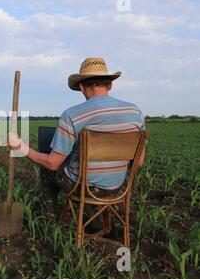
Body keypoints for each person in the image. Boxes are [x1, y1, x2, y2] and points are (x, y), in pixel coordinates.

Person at [8, 57, 146, 216]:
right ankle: (96, 215)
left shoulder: (73, 115)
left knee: (47, 161)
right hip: (118, 188)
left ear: (81, 87)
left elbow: (52, 164)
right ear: (110, 85)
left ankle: (49, 213)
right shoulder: (136, 112)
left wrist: (21, 148)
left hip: (83, 189)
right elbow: (139, 162)